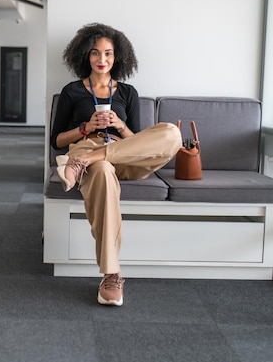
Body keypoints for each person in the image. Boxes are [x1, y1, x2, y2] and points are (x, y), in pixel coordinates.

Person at [50, 23, 182, 306]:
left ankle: (82, 162)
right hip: (92, 151)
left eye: (108, 54)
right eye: (96, 53)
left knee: (171, 132)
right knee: (103, 172)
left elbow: (138, 140)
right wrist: (86, 128)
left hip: (122, 154)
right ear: (85, 55)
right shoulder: (72, 91)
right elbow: (57, 140)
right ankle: (112, 273)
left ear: (117, 57)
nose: (102, 60)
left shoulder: (128, 92)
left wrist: (120, 126)